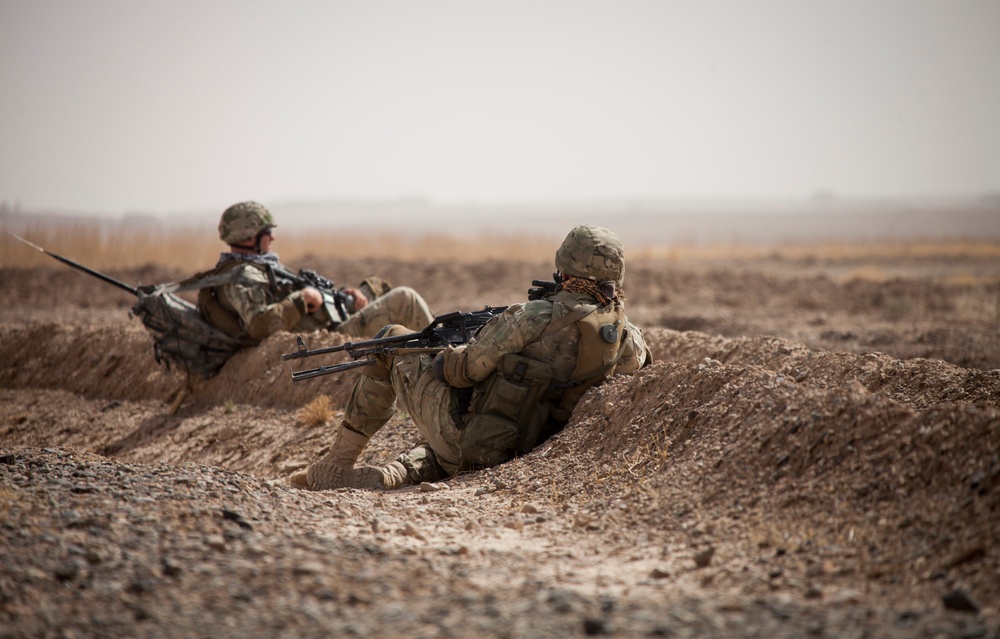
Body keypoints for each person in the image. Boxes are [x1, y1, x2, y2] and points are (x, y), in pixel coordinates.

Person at [289, 224, 653, 491]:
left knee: (390, 341)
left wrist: (447, 352)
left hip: (478, 439)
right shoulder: (626, 338)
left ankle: (338, 465)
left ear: (565, 267)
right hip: (526, 446)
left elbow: (461, 372)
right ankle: (391, 476)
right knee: (447, 442)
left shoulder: (531, 317)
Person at [197, 201, 434, 342]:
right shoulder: (244, 277)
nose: (273, 237)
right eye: (267, 232)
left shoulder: (259, 266)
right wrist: (304, 299)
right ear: (249, 237)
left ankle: (420, 347)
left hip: (329, 321)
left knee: (375, 285)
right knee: (405, 298)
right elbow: (261, 325)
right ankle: (445, 356)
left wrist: (343, 295)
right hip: (327, 339)